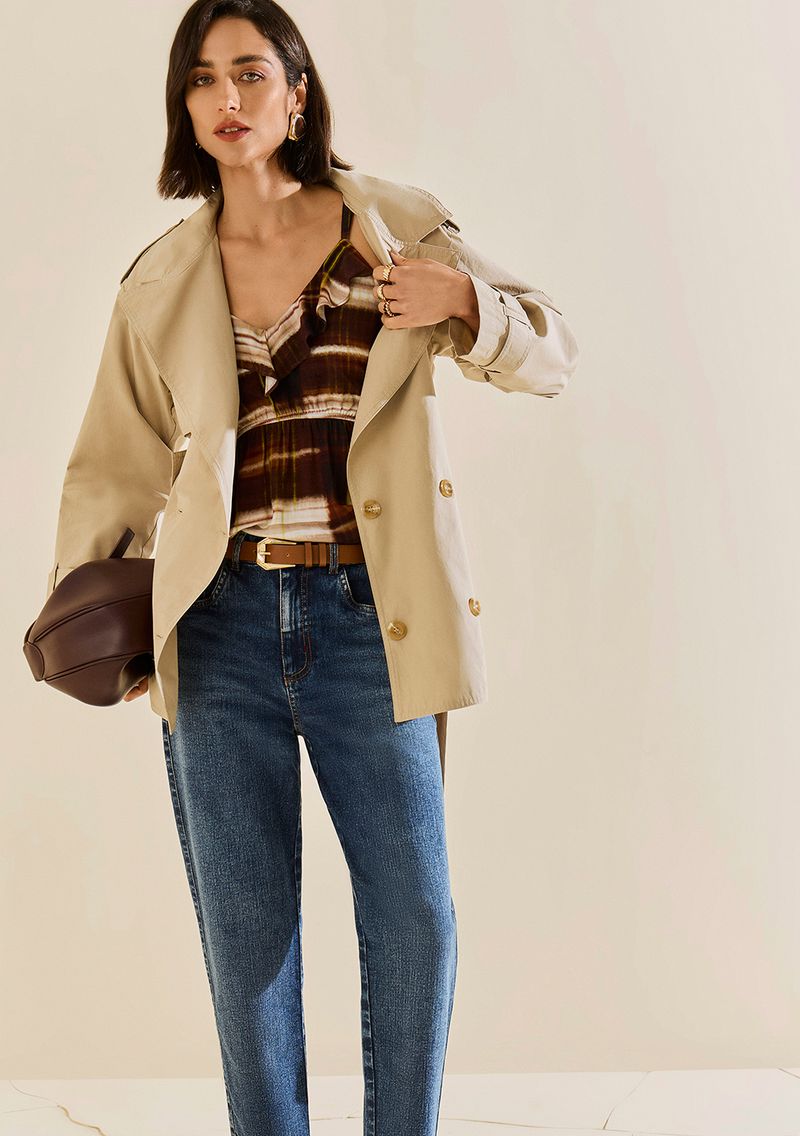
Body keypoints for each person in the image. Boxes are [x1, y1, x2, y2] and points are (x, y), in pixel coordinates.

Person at [45, 1, 579, 1133]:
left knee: (414, 915)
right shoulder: (161, 280)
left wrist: (464, 303)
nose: (226, 99)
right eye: (202, 79)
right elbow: (112, 464)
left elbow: (549, 352)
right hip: (217, 628)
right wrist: (98, 623)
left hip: (367, 618)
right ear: (184, 108)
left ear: (297, 92)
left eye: (249, 73)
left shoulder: (395, 229)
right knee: (247, 940)